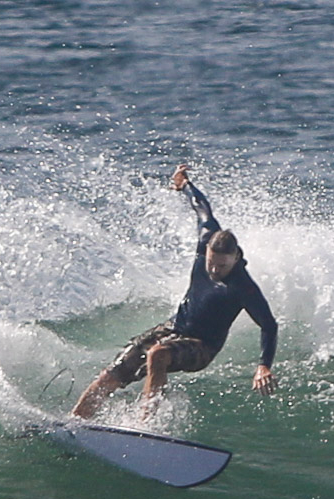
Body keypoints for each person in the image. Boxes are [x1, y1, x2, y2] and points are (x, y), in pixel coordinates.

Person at [71, 164, 278, 420]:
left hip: (204, 346)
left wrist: (263, 367)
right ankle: (76, 420)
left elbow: (269, 325)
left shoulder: (243, 287)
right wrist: (185, 184)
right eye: (211, 262)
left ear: (235, 258)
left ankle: (146, 423)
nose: (214, 269)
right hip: (174, 327)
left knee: (158, 354)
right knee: (116, 369)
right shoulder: (206, 238)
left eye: (222, 266)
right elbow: (202, 207)